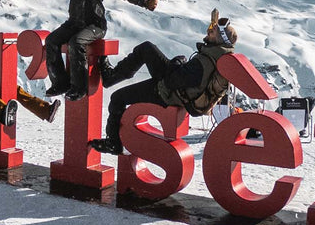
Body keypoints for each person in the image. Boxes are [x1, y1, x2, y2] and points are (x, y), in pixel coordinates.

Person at [88, 9, 237, 155]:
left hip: (168, 93)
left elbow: (173, 81)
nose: (208, 31)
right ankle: (110, 79)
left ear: (219, 39)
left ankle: (113, 142)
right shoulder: (218, 56)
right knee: (147, 49)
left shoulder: (205, 61)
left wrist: (177, 63)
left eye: (212, 31)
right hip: (178, 92)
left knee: (118, 96)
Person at [32, 0, 160, 102]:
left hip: (95, 24)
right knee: (51, 41)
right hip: (74, 22)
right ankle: (60, 83)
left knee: (76, 42)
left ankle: (79, 88)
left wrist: (145, 2)